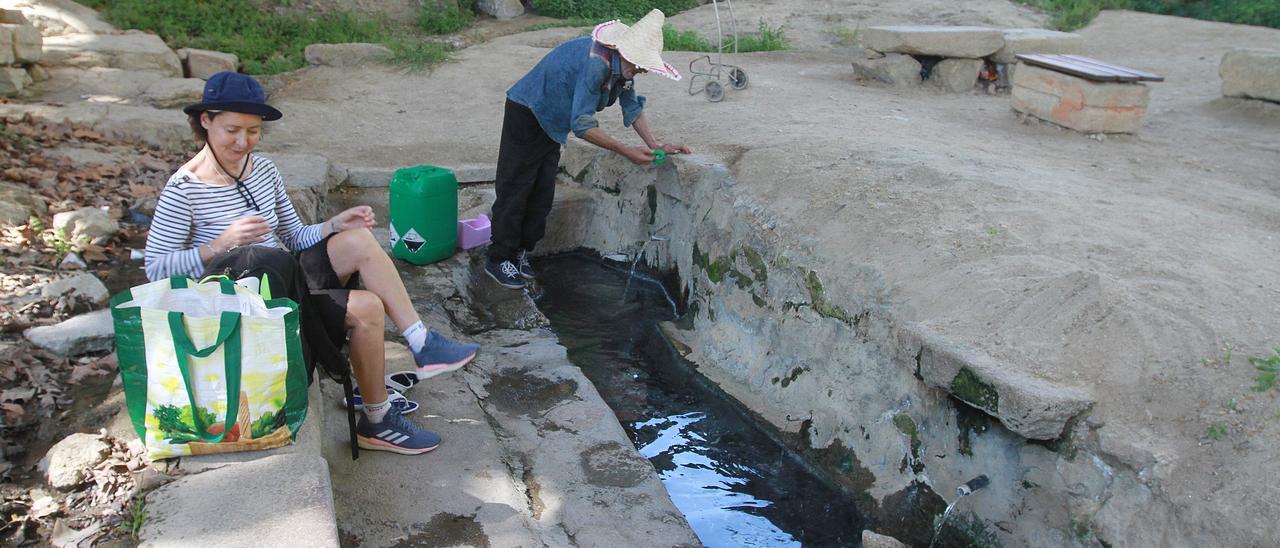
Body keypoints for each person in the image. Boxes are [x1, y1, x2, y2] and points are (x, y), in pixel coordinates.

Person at [144, 71, 478, 455]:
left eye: (253, 132)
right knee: (367, 307)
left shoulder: (264, 169)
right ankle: (377, 419)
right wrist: (219, 245)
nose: (243, 142)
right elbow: (155, 269)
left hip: (287, 277)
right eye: (232, 130)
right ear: (206, 121)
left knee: (358, 240)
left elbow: (294, 236)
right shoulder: (183, 188)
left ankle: (422, 341)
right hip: (250, 306)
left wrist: (335, 224)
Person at [486, 8, 692, 289]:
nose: (643, 69)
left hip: (552, 121)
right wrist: (624, 150)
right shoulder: (597, 64)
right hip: (527, 111)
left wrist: (655, 145)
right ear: (627, 53)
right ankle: (499, 258)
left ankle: (520, 252)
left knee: (541, 192)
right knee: (516, 187)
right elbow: (582, 124)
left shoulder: (624, 68)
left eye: (645, 65)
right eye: (641, 64)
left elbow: (631, 106)